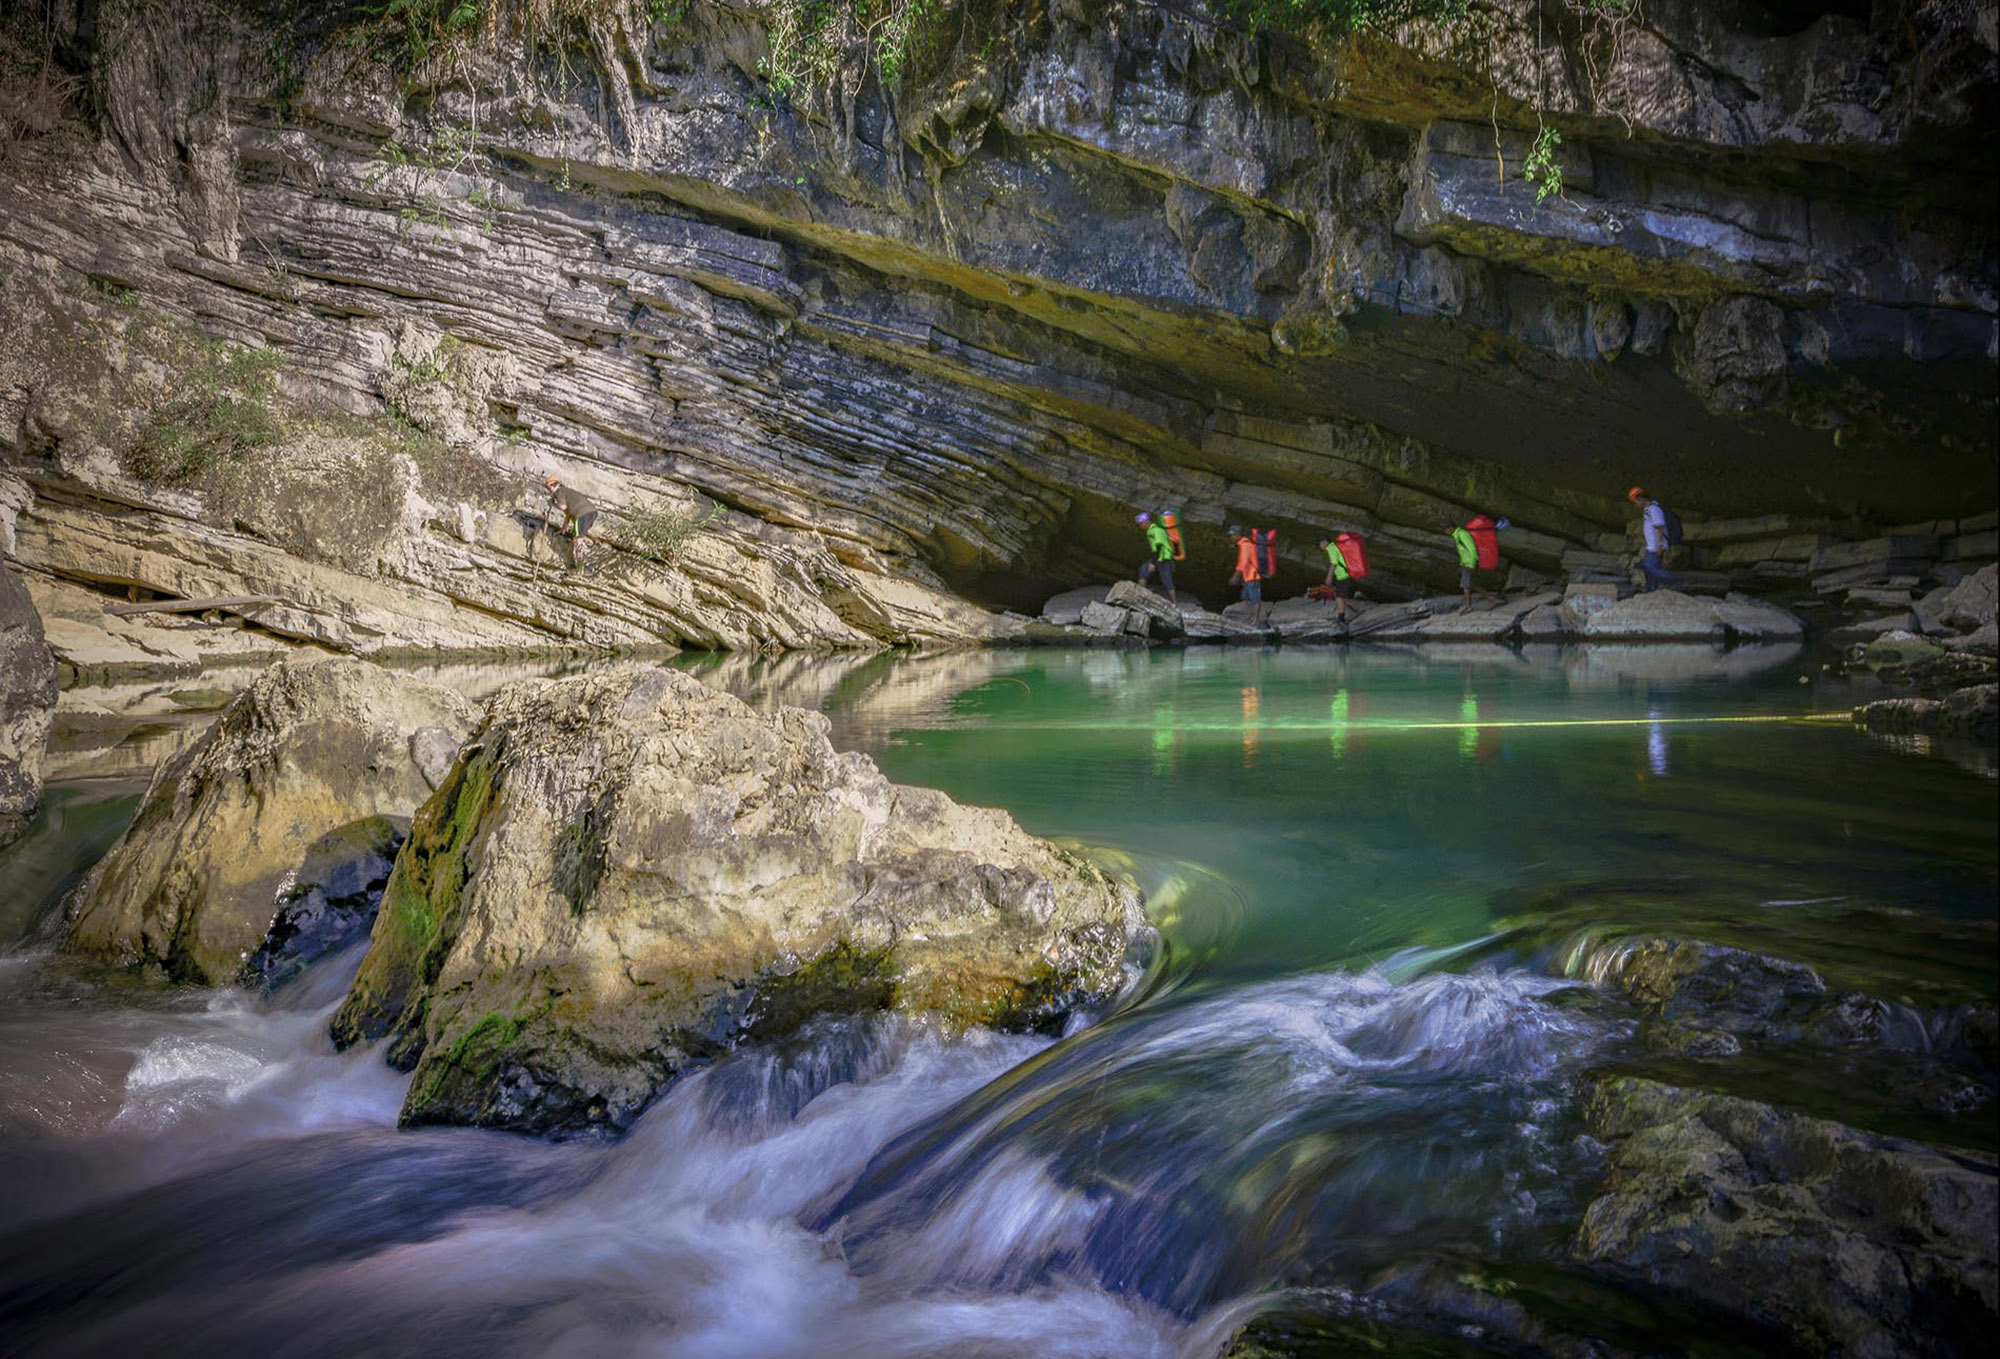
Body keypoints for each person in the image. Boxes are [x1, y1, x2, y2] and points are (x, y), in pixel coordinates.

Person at [1445, 515, 1503, 614]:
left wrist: (1472, 564)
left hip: (1470, 564)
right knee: (1472, 584)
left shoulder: (1462, 534)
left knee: (1465, 585)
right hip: (1465, 564)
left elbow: (1472, 549)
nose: (1445, 532)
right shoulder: (1457, 535)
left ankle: (1468, 606)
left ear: (1451, 528)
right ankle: (1491, 599)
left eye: (1445, 529)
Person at [1628, 486, 1678, 593]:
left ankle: (1673, 580)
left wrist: (1660, 545)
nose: (1636, 504)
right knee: (1649, 571)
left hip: (1656, 546)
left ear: (1641, 499)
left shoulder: (1654, 509)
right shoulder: (1648, 510)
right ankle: (1652, 590)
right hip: (1651, 546)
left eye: (1636, 501)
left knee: (1650, 568)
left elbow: (1659, 527)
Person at [544, 474, 598, 570]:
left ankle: (580, 568)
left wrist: (552, 504)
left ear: (555, 485)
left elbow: (563, 507)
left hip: (582, 514)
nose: (549, 490)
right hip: (592, 512)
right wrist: (563, 528)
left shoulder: (559, 491)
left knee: (578, 540)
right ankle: (594, 539)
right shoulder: (567, 493)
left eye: (549, 488)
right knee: (578, 533)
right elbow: (568, 513)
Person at [1314, 534, 1360, 622]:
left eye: (1319, 544)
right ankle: (1352, 610)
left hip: (1343, 576)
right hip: (1344, 576)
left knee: (1339, 597)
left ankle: (1341, 619)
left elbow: (1333, 563)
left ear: (1324, 542)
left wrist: (1329, 577)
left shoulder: (1331, 549)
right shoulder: (1334, 547)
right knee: (1341, 596)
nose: (1319, 547)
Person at [1135, 512, 1178, 604]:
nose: (1140, 526)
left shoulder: (1156, 530)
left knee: (1166, 580)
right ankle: (1140, 594)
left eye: (1140, 524)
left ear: (1146, 522)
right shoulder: (1150, 531)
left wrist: (1153, 563)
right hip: (1159, 557)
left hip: (1164, 558)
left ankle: (1174, 603)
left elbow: (1159, 547)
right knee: (1143, 569)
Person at [1228, 524, 1266, 623]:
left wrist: (1235, 576)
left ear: (1238, 535)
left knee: (1255, 599)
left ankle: (1255, 620)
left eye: (1232, 535)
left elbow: (1243, 562)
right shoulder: (1244, 544)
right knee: (1244, 597)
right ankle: (1248, 616)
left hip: (1252, 577)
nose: (1231, 537)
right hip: (1247, 577)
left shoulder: (1245, 545)